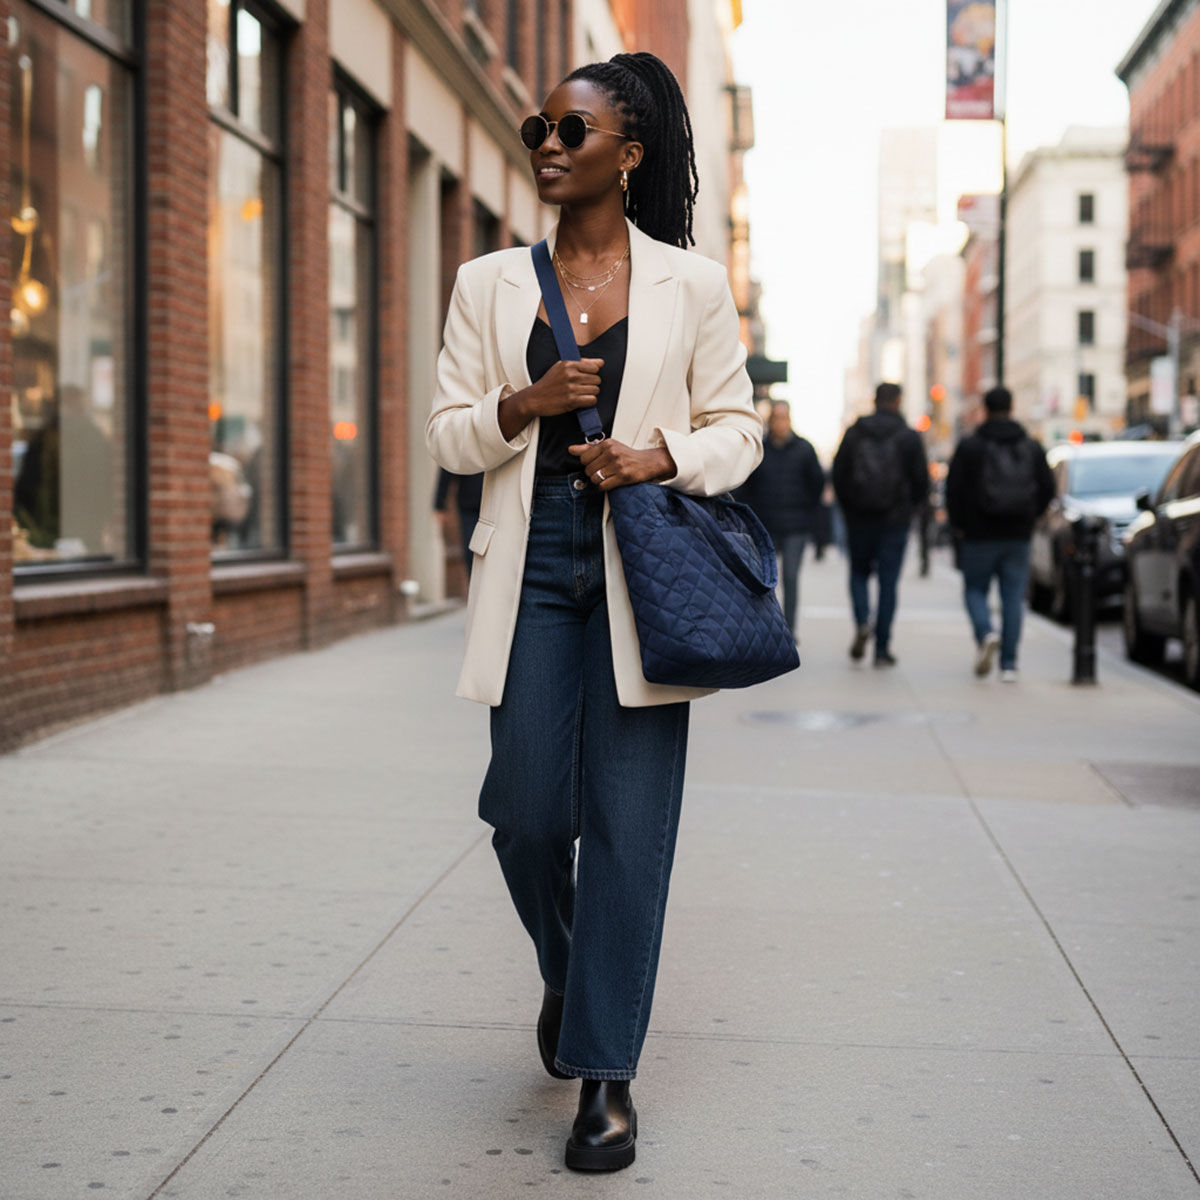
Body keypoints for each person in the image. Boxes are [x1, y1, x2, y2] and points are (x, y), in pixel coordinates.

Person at [425, 52, 761, 1173]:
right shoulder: (487, 283)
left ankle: (605, 1073)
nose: (550, 147)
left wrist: (660, 452)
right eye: (540, 129)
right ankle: (570, 971)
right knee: (524, 811)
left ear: (630, 152)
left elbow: (740, 429)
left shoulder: (691, 285)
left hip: (637, 569)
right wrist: (523, 403)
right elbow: (447, 434)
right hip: (529, 562)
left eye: (574, 131)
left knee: (628, 835)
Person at [945, 385, 1055, 681]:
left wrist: (958, 525)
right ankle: (1009, 665)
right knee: (1012, 597)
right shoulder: (1031, 446)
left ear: (984, 409)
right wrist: (1030, 516)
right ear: (1012, 407)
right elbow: (1048, 488)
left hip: (978, 534)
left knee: (974, 591)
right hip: (1017, 534)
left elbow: (952, 491)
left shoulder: (970, 446)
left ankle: (985, 633)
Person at [831, 382, 928, 666]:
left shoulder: (854, 433)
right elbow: (921, 481)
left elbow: (839, 474)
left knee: (859, 573)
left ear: (875, 401)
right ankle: (882, 648)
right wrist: (908, 510)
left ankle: (863, 621)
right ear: (898, 401)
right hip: (894, 521)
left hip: (860, 518)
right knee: (888, 583)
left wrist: (849, 509)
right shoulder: (909, 437)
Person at [736, 400, 824, 639]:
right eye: (776, 418)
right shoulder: (759, 449)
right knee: (765, 580)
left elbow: (817, 484)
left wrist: (809, 515)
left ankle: (788, 629)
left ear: (790, 420)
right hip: (766, 525)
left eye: (784, 418)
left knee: (791, 577)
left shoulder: (805, 449)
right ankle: (768, 627)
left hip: (796, 526)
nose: (780, 423)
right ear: (770, 421)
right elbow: (746, 486)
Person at [433, 468, 484, 579]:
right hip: (468, 507)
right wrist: (439, 504)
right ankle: (474, 588)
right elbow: (449, 467)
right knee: (471, 550)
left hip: (492, 507)